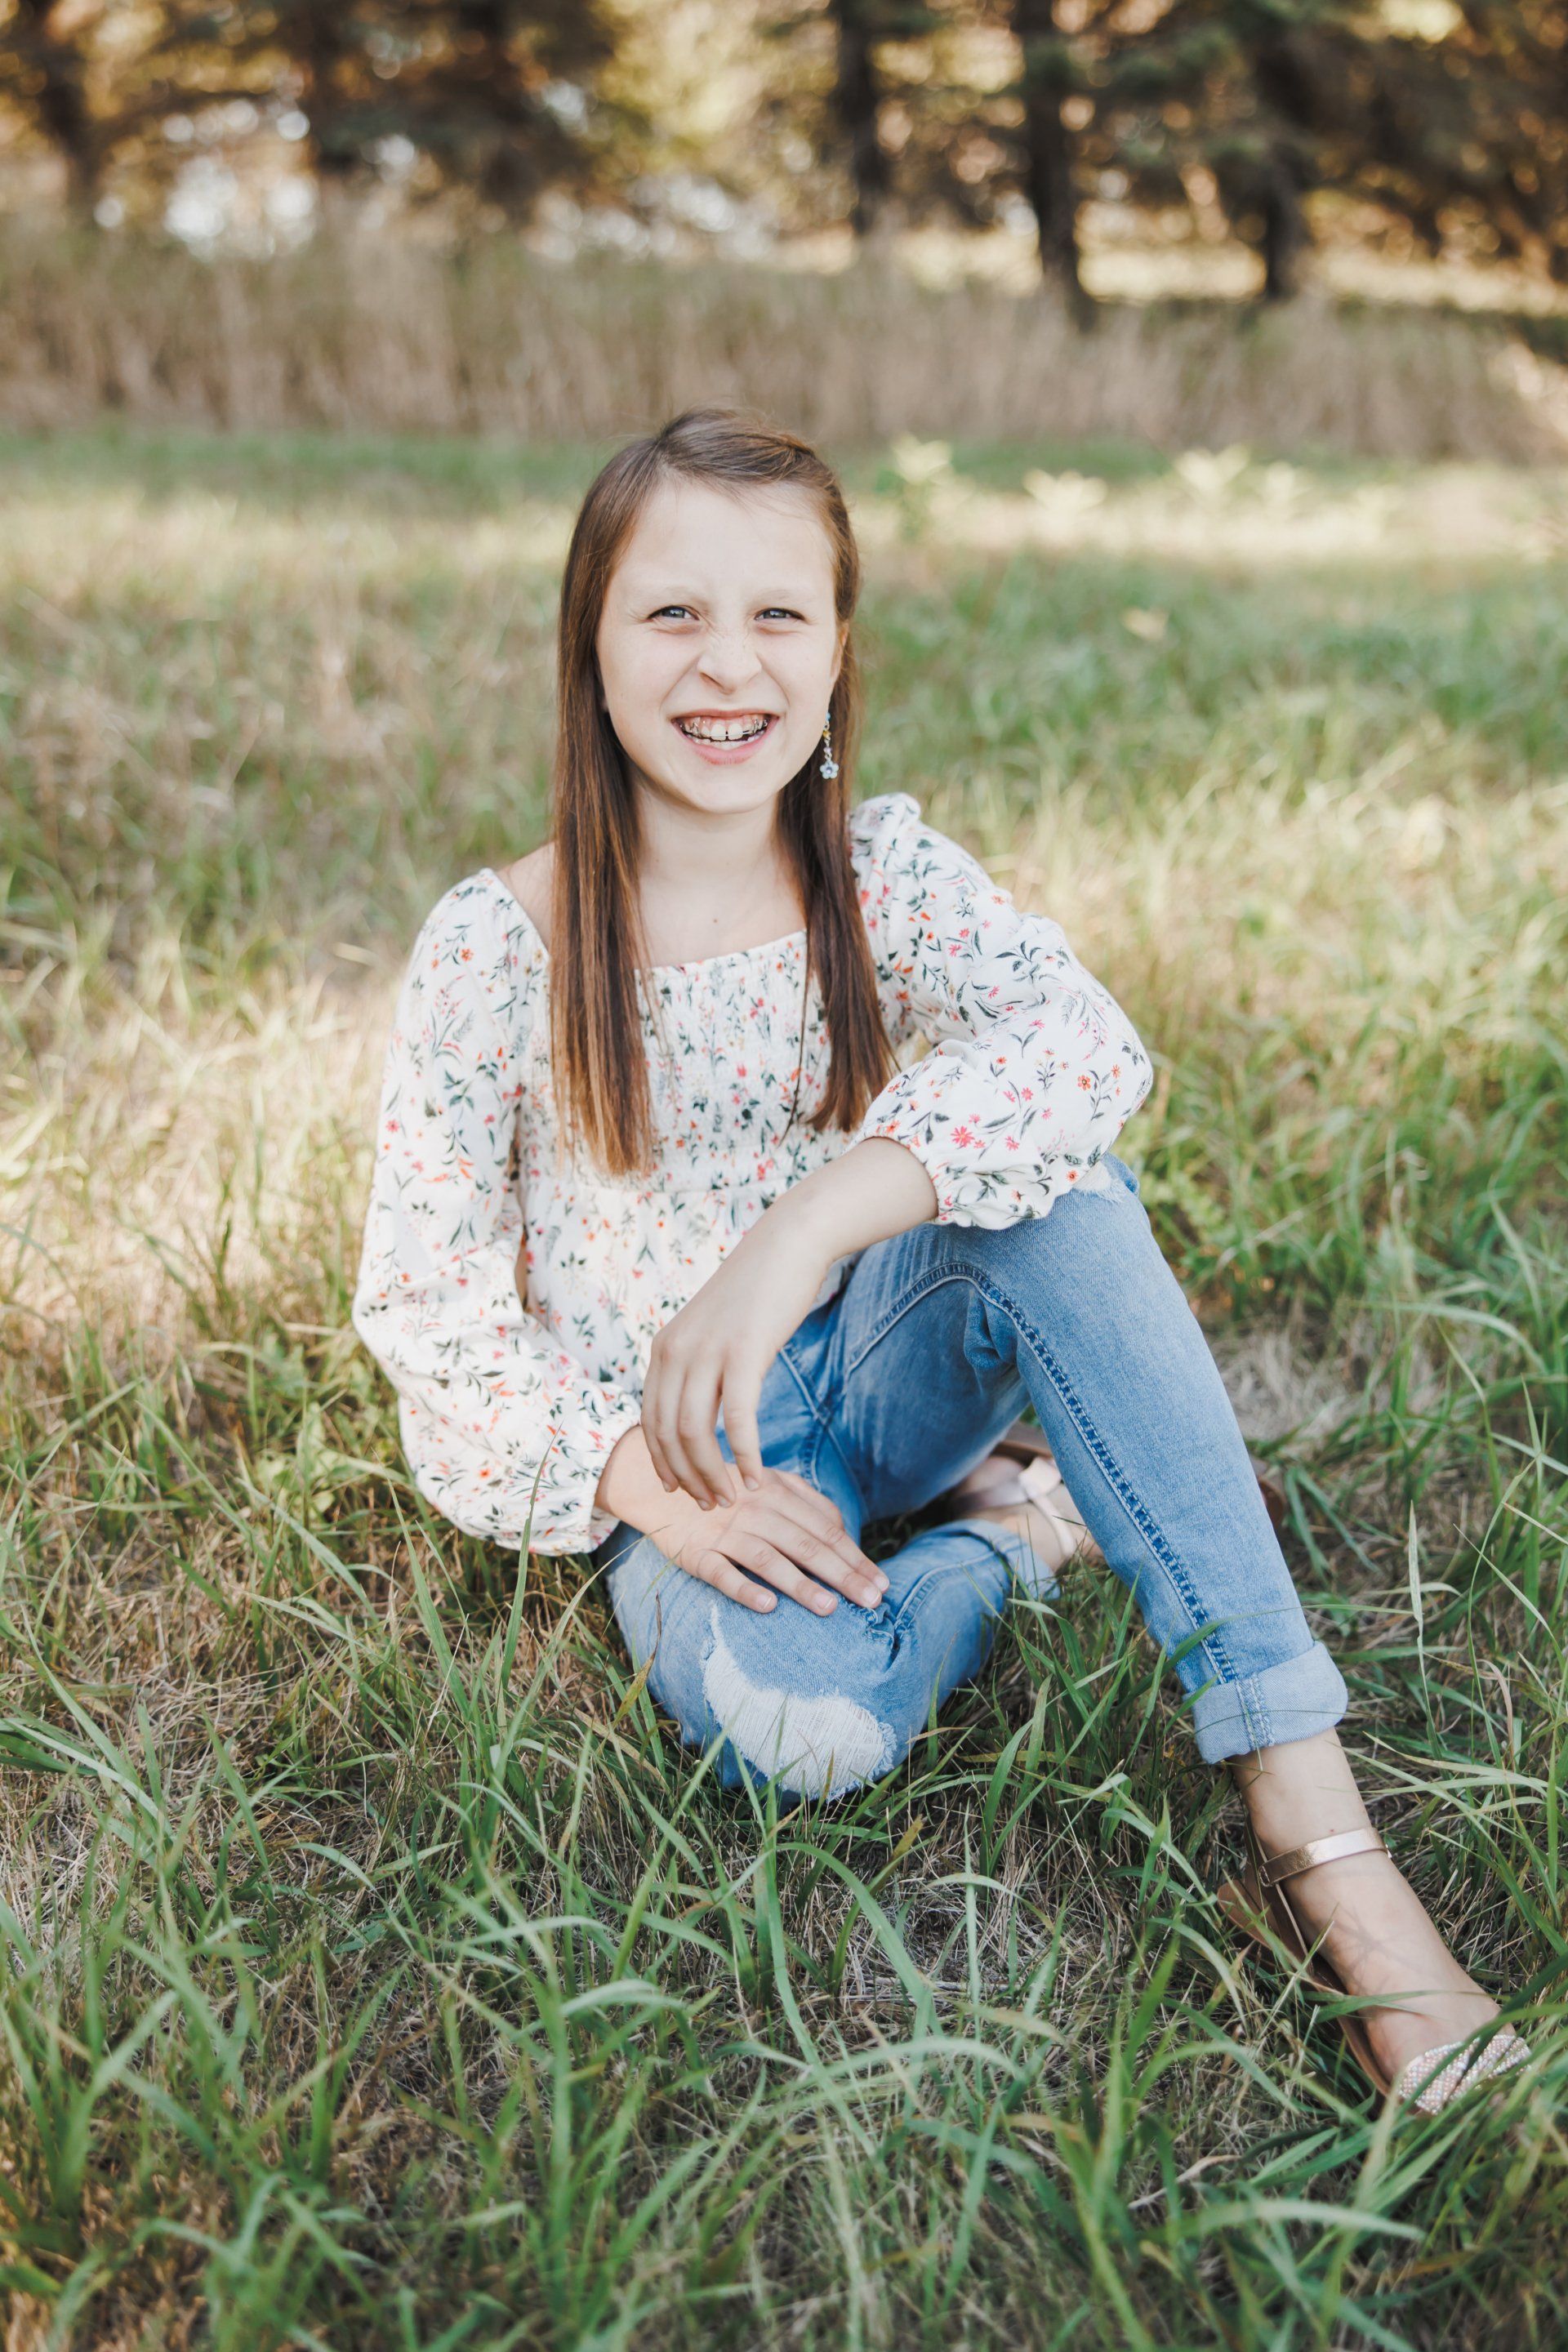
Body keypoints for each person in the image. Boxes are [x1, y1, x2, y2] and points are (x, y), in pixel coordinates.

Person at [352, 404, 1527, 2114]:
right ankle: (1018, 1537)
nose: (728, 664)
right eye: (672, 613)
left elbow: (1084, 1046)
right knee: (803, 1730)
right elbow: (427, 1308)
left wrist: (801, 1231)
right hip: (685, 1456)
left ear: (838, 652)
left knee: (1058, 1193)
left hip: (890, 1352)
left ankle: (1312, 1826)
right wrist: (650, 1488)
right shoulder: (492, 950)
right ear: (588, 650)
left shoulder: (882, 873)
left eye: (780, 614)